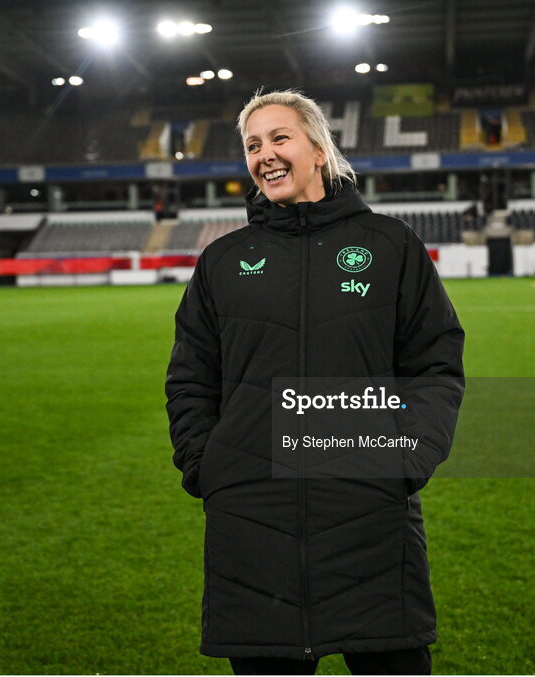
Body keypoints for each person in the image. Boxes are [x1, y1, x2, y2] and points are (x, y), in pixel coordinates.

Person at [166, 90, 465, 675]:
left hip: (370, 515)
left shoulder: (390, 246)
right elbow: (191, 377)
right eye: (253, 145)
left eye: (280, 138)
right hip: (252, 522)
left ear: (319, 149)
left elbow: (434, 365)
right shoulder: (223, 261)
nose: (265, 155)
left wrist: (407, 457)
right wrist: (209, 464)